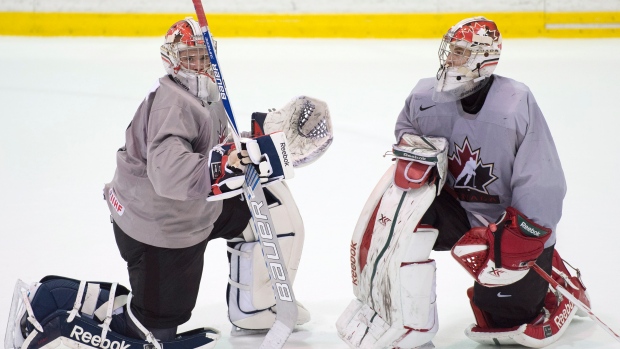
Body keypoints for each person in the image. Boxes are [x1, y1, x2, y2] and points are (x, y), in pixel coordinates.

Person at [337, 16, 589, 349]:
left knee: (503, 322)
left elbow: (542, 178)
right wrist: (418, 149)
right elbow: (406, 130)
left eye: (458, 52)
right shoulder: (425, 96)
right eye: (449, 50)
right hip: (456, 210)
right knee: (405, 218)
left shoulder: (516, 103)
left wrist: (527, 233)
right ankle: (414, 327)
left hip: (505, 225)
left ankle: (556, 278)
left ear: (484, 58)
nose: (448, 59)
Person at [103, 17, 311, 342]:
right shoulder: (173, 105)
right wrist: (223, 165)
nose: (199, 64)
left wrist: (264, 139)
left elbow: (219, 150)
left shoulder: (206, 97)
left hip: (193, 208)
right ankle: (87, 317)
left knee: (268, 212)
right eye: (190, 56)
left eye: (205, 56)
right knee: (157, 329)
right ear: (171, 60)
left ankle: (254, 308)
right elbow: (169, 174)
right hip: (159, 226)